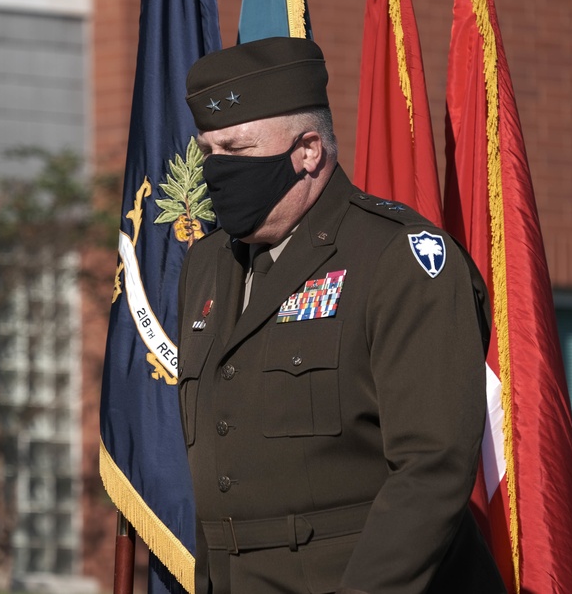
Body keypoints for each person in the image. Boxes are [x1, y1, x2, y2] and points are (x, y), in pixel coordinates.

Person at [177, 37, 505, 594]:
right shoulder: (207, 264)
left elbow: (432, 469)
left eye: (235, 149)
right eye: (209, 152)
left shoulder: (398, 258)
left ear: (307, 151)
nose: (216, 171)